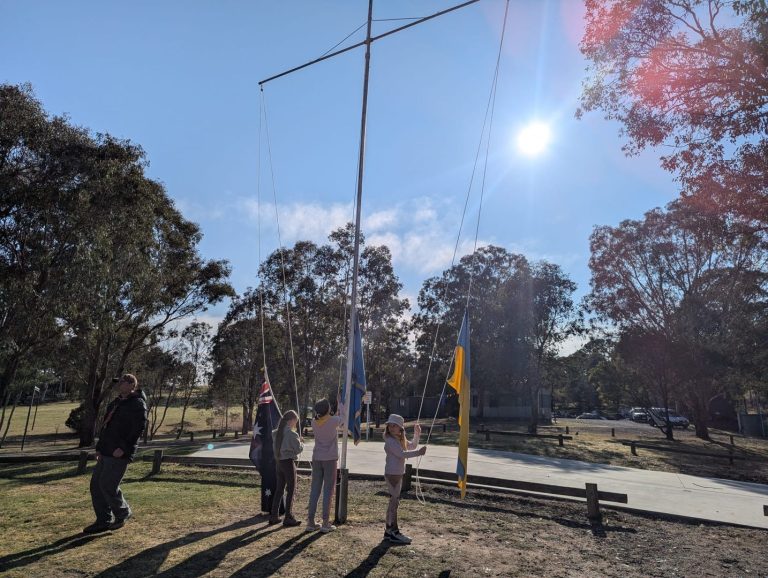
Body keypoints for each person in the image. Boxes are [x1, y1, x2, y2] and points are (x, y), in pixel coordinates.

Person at [83, 373, 148, 534]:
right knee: (96, 485)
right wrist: (99, 447)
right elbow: (106, 426)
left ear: (132, 385)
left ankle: (122, 512)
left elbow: (138, 429)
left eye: (123, 382)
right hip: (105, 450)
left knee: (108, 484)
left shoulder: (138, 404)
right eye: (119, 382)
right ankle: (103, 520)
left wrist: (124, 449)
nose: (119, 385)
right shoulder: (116, 403)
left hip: (119, 453)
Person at [382, 414, 427, 545]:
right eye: (390, 425)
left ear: (400, 428)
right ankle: (392, 531)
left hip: (398, 473)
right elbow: (402, 454)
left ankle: (390, 531)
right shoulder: (390, 440)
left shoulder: (399, 439)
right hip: (392, 474)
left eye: (394, 425)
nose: (391, 427)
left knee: (394, 502)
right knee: (394, 502)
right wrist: (419, 453)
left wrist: (417, 434)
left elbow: (411, 446)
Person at [305, 398, 345, 533]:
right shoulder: (333, 420)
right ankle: (325, 522)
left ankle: (310, 522)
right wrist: (341, 405)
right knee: (328, 490)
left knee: (315, 489)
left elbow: (333, 418)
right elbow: (343, 418)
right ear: (328, 409)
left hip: (317, 458)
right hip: (330, 459)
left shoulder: (314, 422)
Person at [269, 410, 303, 527]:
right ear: (291, 420)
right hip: (288, 463)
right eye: (295, 421)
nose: (295, 424)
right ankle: (288, 517)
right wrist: (301, 443)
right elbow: (298, 449)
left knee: (279, 489)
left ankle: (274, 515)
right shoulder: (293, 434)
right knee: (291, 489)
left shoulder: (275, 433)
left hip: (278, 463)